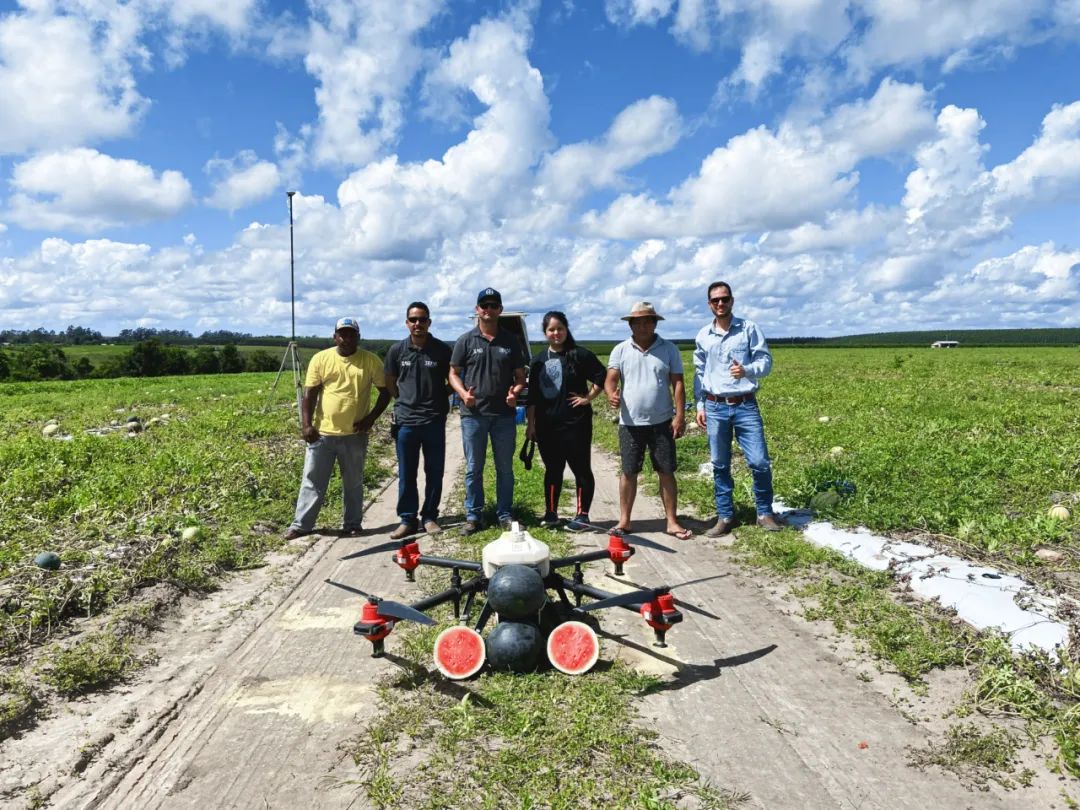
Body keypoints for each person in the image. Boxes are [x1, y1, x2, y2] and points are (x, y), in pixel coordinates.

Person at [285, 317, 391, 540]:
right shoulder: (321, 359)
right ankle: (301, 525)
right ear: (335, 337)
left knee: (353, 483)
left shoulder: (370, 361)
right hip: (322, 434)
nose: (347, 338)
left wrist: (371, 418)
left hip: (355, 435)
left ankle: (352, 524)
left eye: (351, 334)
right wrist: (306, 425)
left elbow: (385, 392)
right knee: (312, 481)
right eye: (342, 334)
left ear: (358, 337)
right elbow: (310, 393)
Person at [693, 281, 783, 535]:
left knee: (759, 461)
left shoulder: (749, 329)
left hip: (745, 405)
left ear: (732, 300)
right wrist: (700, 404)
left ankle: (765, 512)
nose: (720, 304)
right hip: (715, 406)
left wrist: (747, 370)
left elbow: (765, 361)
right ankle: (725, 516)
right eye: (715, 300)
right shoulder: (703, 336)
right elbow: (699, 373)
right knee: (720, 463)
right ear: (709, 304)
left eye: (725, 299)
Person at [604, 302, 692, 540]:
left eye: (648, 321)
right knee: (629, 471)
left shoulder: (669, 349)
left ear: (655, 323)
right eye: (638, 322)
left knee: (666, 471)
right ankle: (624, 521)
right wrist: (611, 394)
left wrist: (680, 416)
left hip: (662, 421)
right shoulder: (620, 350)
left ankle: (672, 521)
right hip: (630, 423)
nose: (643, 326)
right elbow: (610, 379)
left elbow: (679, 383)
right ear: (630, 325)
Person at [449, 288, 528, 534]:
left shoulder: (510, 341)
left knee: (504, 467)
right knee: (474, 467)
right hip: (473, 416)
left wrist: (515, 392)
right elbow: (453, 373)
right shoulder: (465, 340)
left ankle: (504, 514)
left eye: (493, 305)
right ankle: (474, 515)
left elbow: (520, 376)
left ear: (500, 310)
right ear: (477, 309)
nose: (488, 309)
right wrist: (463, 394)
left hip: (503, 416)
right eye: (484, 305)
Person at [525, 311, 607, 531]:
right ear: (545, 333)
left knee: (580, 468)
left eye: (560, 328)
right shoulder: (538, 361)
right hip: (546, 426)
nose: (556, 333)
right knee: (552, 469)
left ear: (566, 329)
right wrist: (531, 425)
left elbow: (602, 375)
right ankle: (551, 513)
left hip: (576, 425)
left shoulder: (579, 355)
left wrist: (588, 398)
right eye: (551, 329)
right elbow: (532, 396)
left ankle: (582, 515)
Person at [384, 302, 452, 540]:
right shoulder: (396, 351)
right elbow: (390, 382)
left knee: (434, 471)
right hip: (406, 422)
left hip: (433, 420)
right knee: (406, 473)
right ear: (407, 323)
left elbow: (453, 380)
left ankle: (430, 516)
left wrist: (439, 397)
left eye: (422, 319)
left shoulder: (442, 350)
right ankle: (407, 519)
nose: (417, 324)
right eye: (413, 319)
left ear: (429, 322)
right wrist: (403, 401)